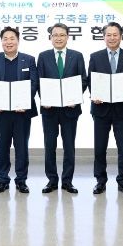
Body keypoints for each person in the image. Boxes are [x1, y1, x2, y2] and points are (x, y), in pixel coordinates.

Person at [88, 22, 123, 196]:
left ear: (121, 36)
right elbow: (91, 80)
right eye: (108, 35)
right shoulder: (95, 57)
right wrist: (94, 94)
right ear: (103, 37)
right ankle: (100, 181)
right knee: (99, 147)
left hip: (122, 109)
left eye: (115, 34)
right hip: (100, 109)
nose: (112, 38)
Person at [37, 23, 88, 194]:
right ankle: (52, 180)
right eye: (55, 35)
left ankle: (67, 181)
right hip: (49, 109)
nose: (58, 38)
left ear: (67, 37)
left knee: (69, 146)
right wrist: (44, 98)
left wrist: (75, 97)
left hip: (70, 109)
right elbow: (39, 80)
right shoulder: (43, 56)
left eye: (62, 35)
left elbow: (83, 79)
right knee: (49, 146)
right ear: (50, 37)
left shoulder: (77, 56)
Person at [0, 27, 38, 194]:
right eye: (5, 39)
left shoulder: (29, 60)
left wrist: (25, 101)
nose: (9, 42)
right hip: (1, 112)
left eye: (12, 38)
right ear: (1, 41)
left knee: (22, 147)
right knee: (2, 146)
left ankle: (21, 180)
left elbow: (34, 83)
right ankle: (3, 179)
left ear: (18, 40)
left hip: (22, 113)